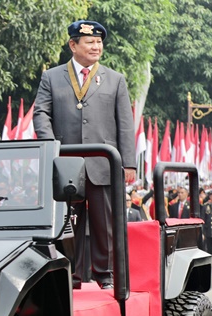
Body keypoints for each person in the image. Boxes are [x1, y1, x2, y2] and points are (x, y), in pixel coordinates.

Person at [33, 20, 136, 290]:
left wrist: (128, 163)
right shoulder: (52, 77)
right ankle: (71, 277)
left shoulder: (115, 79)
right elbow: (41, 113)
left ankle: (106, 275)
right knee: (68, 224)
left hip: (103, 163)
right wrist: (50, 147)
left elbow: (125, 124)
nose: (96, 47)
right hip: (66, 164)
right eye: (89, 42)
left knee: (105, 224)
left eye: (99, 42)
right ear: (73, 45)